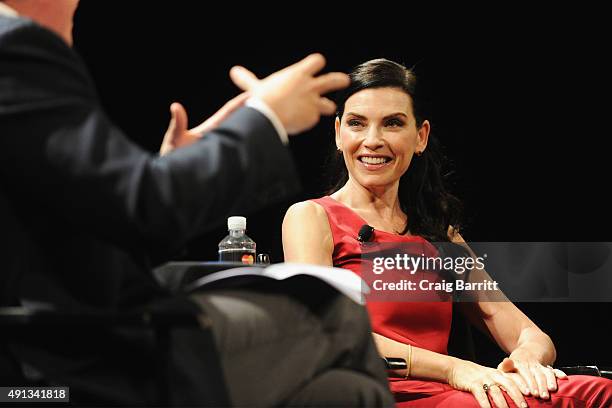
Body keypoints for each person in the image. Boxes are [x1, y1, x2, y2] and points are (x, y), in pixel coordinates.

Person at [0, 1, 395, 406]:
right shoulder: (14, 50)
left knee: (348, 394)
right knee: (338, 315)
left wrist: (175, 170)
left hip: (67, 337)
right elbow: (146, 208)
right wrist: (267, 117)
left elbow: (105, 217)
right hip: (71, 353)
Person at [282, 58, 612, 407]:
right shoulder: (312, 217)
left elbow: (520, 327)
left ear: (420, 137)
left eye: (393, 123)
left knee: (598, 391)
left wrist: (528, 356)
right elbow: (327, 334)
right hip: (377, 396)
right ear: (338, 134)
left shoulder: (439, 235)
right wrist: (456, 370)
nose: (372, 140)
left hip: (453, 393)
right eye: (356, 124)